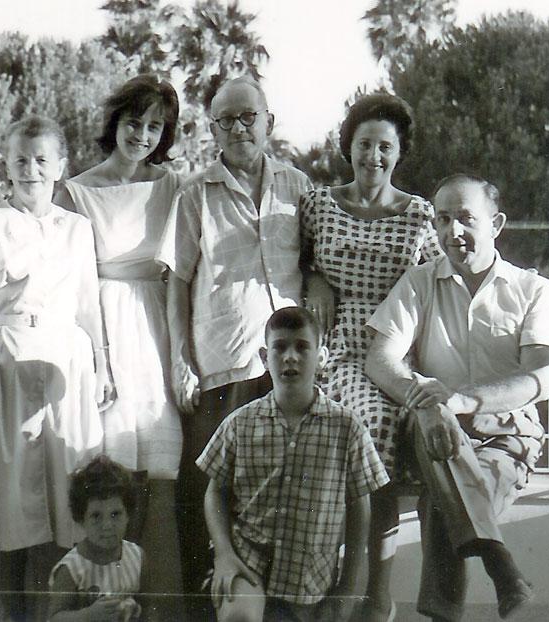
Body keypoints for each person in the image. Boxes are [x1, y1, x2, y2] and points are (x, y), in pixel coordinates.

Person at [364, 174, 549, 621]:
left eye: (466, 219)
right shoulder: (419, 283)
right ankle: (502, 568)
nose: (452, 232)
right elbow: (379, 359)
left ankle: (463, 595)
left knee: (444, 493)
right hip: (435, 426)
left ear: (497, 224)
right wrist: (430, 403)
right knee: (435, 433)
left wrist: (460, 400)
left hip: (506, 439)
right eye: (443, 219)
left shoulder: (534, 291)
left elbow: (539, 380)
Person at [155, 75, 313, 603]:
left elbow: (316, 262)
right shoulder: (194, 192)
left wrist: (318, 287)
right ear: (213, 130)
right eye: (227, 120)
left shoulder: (298, 187)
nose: (239, 128)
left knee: (285, 496)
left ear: (269, 121)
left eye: (249, 117)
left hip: (286, 368)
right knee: (207, 492)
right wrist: (180, 359)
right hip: (221, 364)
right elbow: (176, 280)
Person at [0, 115, 112, 621]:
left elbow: (90, 304)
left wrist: (103, 365)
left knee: (61, 490)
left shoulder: (78, 228)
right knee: (8, 493)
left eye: (42, 159)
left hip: (65, 360)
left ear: (61, 167)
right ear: (6, 165)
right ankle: (11, 612)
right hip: (3, 363)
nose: (31, 170)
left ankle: (52, 612)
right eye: (20, 159)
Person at [298, 92, 442, 621]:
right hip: (337, 348)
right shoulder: (318, 203)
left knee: (382, 424)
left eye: (385, 146)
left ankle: (372, 586)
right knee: (371, 421)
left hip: (396, 347)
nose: (373, 157)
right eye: (364, 145)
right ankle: (358, 581)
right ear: (348, 148)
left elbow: (439, 284)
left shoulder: (420, 214)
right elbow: (301, 262)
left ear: (399, 152)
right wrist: (315, 278)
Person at [54, 74, 183, 593]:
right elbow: (67, 279)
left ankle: (162, 606)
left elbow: (181, 269)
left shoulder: (173, 185)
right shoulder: (77, 191)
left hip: (156, 331)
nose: (144, 136)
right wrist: (95, 356)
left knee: (162, 475)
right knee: (115, 476)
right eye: (135, 122)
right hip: (103, 332)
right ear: (115, 123)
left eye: (156, 126)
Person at [197, 307, 389, 621]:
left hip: (309, 580)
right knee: (240, 616)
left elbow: (359, 507)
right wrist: (224, 554)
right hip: (248, 565)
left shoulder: (347, 428)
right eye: (280, 347)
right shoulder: (240, 424)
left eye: (302, 347)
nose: (290, 357)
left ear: (322, 357)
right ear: (264, 356)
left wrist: (349, 585)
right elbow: (213, 492)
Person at [47, 455, 142, 622]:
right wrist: (87, 616)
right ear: (81, 519)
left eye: (115, 514)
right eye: (96, 516)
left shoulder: (136, 556)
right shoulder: (71, 569)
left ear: (128, 514)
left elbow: (149, 605)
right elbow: (54, 618)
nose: (107, 525)